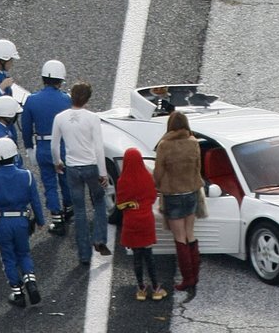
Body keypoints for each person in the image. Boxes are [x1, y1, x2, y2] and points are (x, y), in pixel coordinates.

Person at [0, 137, 45, 308]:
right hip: (22, 220)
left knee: (8, 257)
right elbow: (35, 201)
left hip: (2, 223)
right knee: (24, 253)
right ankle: (30, 279)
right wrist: (40, 220)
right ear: (14, 155)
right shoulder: (27, 176)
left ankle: (18, 293)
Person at [51, 81, 110, 265]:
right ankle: (99, 239)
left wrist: (58, 162)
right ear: (88, 99)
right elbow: (99, 148)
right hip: (91, 166)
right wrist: (103, 173)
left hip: (72, 168)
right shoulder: (92, 118)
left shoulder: (60, 118)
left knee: (79, 210)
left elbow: (54, 145)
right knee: (99, 201)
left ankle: (84, 254)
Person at [153, 111, 203, 300]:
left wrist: (156, 185)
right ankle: (195, 276)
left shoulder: (164, 145)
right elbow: (198, 168)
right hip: (191, 192)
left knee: (179, 237)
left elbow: (158, 172)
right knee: (190, 234)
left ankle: (187, 278)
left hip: (172, 194)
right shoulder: (193, 142)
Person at [21, 59, 74, 235]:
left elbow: (27, 128)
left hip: (43, 146)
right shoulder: (67, 99)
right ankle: (69, 208)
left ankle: (56, 218)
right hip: (64, 146)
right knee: (66, 180)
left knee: (49, 184)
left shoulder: (32, 100)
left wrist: (30, 148)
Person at [116, 148, 167, 301]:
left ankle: (141, 289)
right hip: (146, 221)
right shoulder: (147, 177)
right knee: (149, 257)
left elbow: (119, 204)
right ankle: (156, 288)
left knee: (137, 258)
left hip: (131, 222)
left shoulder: (122, 181)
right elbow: (152, 197)